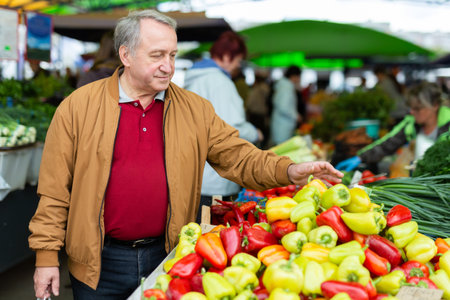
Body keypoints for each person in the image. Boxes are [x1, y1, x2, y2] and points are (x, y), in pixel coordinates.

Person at [28, 9, 343, 300]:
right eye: (157, 55)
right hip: (97, 263)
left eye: (172, 55)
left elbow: (240, 158)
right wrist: (45, 257)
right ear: (125, 54)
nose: (168, 66)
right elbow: (55, 191)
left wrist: (289, 171)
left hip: (169, 257)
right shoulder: (78, 107)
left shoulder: (194, 109)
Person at [184, 31, 261, 221]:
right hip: (215, 178)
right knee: (212, 230)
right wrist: (255, 133)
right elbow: (232, 127)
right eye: (237, 61)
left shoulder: (196, 79)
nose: (237, 67)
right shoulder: (219, 81)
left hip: (197, 172)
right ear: (227, 57)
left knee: (198, 233)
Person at [336, 81, 450, 172]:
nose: (411, 112)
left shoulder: (448, 124)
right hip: (421, 179)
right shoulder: (411, 123)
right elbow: (387, 143)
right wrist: (361, 157)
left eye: (417, 108)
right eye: (411, 107)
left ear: (435, 106)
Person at [270, 65, 301, 145]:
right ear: (294, 76)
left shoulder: (283, 86)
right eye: (299, 77)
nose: (299, 79)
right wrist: (296, 116)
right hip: (283, 127)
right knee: (281, 152)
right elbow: (283, 108)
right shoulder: (286, 88)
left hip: (281, 125)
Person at [246, 70, 271, 148]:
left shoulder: (255, 89)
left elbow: (249, 103)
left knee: (256, 140)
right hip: (263, 115)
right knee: (263, 137)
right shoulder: (267, 89)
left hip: (254, 116)